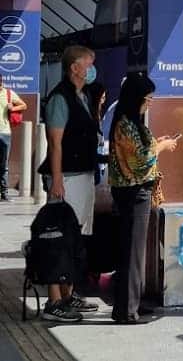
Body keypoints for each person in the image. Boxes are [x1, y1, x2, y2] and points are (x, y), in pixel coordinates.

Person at [108, 73, 177, 324]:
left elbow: (140, 152)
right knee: (131, 252)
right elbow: (140, 160)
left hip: (137, 191)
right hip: (133, 192)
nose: (150, 103)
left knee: (136, 250)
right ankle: (126, 310)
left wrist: (155, 144)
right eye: (148, 98)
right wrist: (160, 147)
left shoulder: (131, 122)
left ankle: (132, 303)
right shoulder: (125, 123)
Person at [41, 45, 100, 322]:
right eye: (89, 64)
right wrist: (57, 180)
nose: (92, 69)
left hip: (84, 175)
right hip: (66, 178)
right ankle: (54, 301)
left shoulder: (84, 95)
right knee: (59, 237)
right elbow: (55, 143)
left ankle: (68, 293)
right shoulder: (59, 98)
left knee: (76, 239)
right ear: (74, 67)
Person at [0, 75, 26, 202]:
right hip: (4, 134)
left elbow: (24, 105)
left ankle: (4, 193)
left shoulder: (9, 93)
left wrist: (13, 108)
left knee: (3, 164)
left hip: (5, 132)